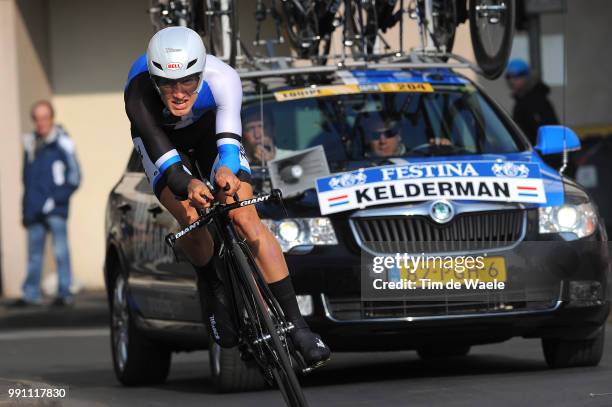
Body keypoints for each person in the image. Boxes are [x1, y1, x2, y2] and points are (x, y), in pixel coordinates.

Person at [124, 27, 330, 366]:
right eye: (168, 84)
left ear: (202, 72)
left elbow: (229, 144)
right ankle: (211, 282)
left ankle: (298, 326)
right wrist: (188, 184)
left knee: (244, 217)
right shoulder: (138, 93)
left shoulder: (223, 78)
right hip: (164, 143)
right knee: (190, 215)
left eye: (188, 82)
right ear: (154, 78)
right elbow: (171, 170)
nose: (178, 94)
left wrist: (226, 171)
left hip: (209, 134)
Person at [13, 100, 81, 307]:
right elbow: (27, 180)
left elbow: (75, 178)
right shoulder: (31, 144)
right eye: (37, 118)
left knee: (60, 251)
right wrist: (25, 209)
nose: (41, 122)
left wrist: (55, 200)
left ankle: (64, 293)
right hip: (34, 209)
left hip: (55, 209)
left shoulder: (63, 143)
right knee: (34, 254)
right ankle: (30, 293)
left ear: (52, 118)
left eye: (44, 117)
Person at [506, 59, 559, 146]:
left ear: (527, 77)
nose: (512, 81)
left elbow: (545, 133)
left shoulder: (537, 101)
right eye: (509, 77)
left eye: (517, 76)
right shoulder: (521, 101)